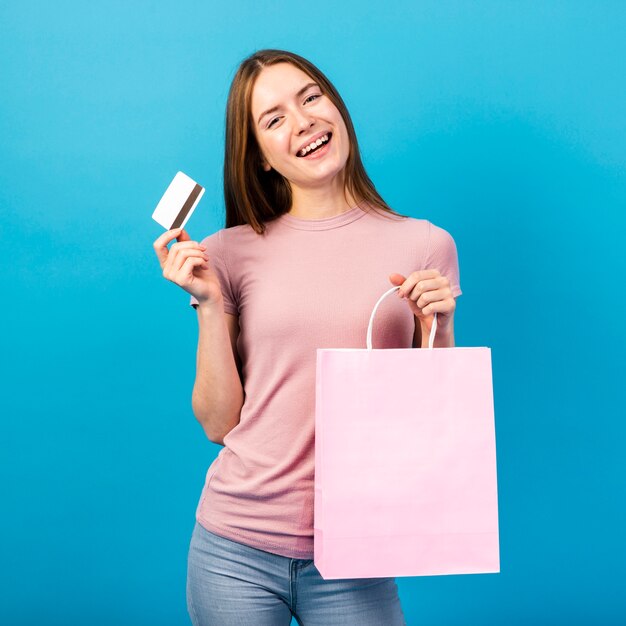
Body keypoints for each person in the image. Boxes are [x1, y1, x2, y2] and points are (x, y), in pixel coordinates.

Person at [153, 49, 462, 626]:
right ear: (261, 158)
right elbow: (219, 424)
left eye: (310, 97)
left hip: (357, 549)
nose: (302, 122)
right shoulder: (226, 254)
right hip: (233, 549)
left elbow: (430, 420)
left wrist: (437, 329)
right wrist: (209, 304)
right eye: (273, 119)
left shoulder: (426, 245)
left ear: (336, 108)